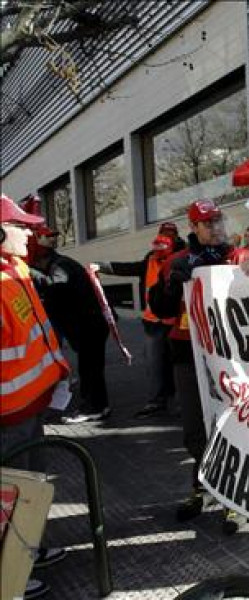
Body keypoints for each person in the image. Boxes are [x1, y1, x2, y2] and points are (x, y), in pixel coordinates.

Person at [148, 199, 249, 533]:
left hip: (231, 356)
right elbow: (160, 308)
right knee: (195, 427)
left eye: (219, 221)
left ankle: (236, 497)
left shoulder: (240, 257)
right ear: (193, 227)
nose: (216, 228)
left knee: (232, 426)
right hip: (187, 354)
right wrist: (170, 286)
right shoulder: (177, 261)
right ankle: (203, 485)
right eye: (208, 223)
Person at [1, 195, 70, 600]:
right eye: (20, 227)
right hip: (7, 416)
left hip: (31, 405)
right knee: (10, 495)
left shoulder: (17, 270)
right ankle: (9, 575)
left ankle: (27, 548)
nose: (31, 233)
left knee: (32, 487)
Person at [94, 223, 185, 418]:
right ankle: (157, 401)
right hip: (153, 323)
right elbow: (129, 268)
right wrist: (101, 266)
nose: (163, 240)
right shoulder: (150, 259)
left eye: (169, 235)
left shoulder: (184, 258)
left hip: (177, 322)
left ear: (176, 238)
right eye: (162, 234)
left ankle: (181, 401)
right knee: (154, 364)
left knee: (179, 364)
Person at [29, 226, 110, 423]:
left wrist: (30, 273)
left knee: (90, 369)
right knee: (91, 369)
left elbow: (57, 288)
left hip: (90, 326)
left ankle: (94, 408)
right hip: (90, 325)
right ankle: (99, 406)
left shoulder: (60, 266)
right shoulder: (59, 263)